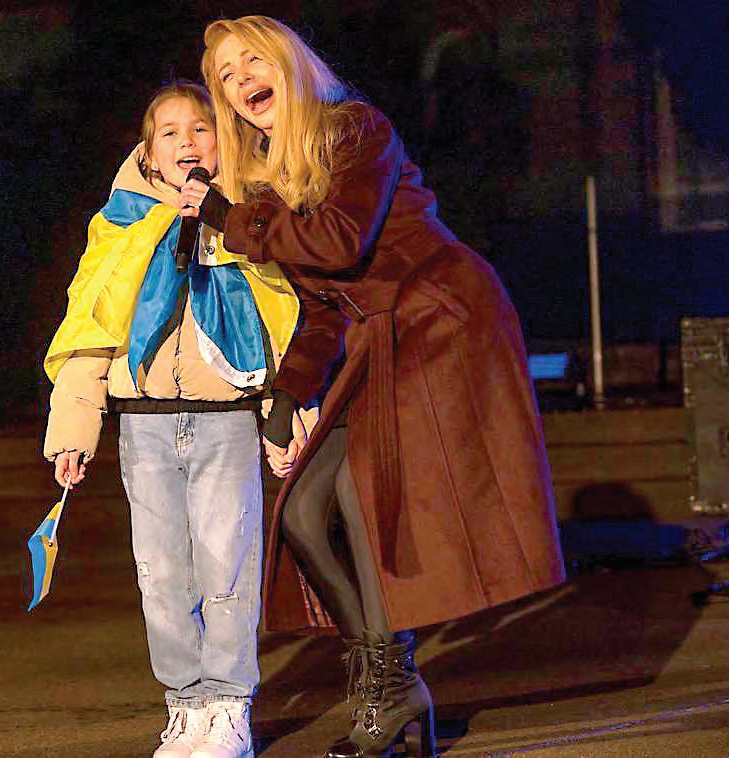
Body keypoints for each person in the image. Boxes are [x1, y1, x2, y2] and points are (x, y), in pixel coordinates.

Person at [183, 16, 567, 758]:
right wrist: (287, 393)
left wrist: (229, 219)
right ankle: (395, 682)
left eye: (253, 60)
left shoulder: (356, 130)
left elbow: (339, 242)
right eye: (226, 76)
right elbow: (323, 301)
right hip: (376, 333)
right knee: (302, 511)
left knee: (363, 491)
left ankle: (388, 691)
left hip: (441, 315)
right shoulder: (265, 178)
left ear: (289, 63)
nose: (241, 79)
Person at [43, 81, 301, 758]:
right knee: (160, 576)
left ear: (223, 142)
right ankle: (185, 706)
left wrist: (283, 417)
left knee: (227, 568)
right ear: (148, 155)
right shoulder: (120, 226)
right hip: (146, 426)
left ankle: (229, 708)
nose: (187, 142)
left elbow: (278, 323)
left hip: (226, 422)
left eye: (201, 128)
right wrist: (73, 433)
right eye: (170, 132)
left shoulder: (249, 218)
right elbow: (90, 329)